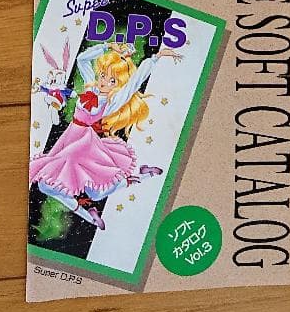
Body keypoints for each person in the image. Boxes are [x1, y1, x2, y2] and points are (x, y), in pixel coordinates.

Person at [29, 40, 179, 231]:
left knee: (62, 183)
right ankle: (96, 208)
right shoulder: (90, 86)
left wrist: (155, 58)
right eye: (103, 75)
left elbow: (134, 83)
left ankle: (139, 177)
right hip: (70, 137)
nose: (104, 81)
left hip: (83, 143)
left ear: (117, 85)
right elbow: (82, 59)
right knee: (55, 187)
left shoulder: (111, 101)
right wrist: (108, 46)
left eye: (112, 81)